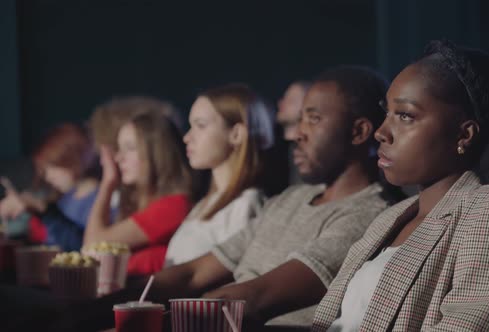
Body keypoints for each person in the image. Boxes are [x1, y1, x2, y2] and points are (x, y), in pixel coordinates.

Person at [53, 66, 393, 331]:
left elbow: (257, 297)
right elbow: (193, 273)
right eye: (299, 118)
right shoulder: (289, 199)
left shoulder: (368, 213)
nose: (297, 132)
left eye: (314, 119)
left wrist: (138, 324)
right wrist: (100, 311)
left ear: (359, 132)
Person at [311, 40, 489, 332]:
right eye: (387, 113)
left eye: (405, 116)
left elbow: (465, 325)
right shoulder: (390, 218)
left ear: (464, 134)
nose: (382, 132)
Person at [164, 84, 274, 267]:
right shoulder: (204, 204)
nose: (187, 137)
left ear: (236, 134)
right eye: (191, 126)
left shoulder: (246, 205)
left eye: (200, 125)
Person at [83, 111, 197, 276]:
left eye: (129, 148)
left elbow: (93, 246)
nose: (118, 158)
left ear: (157, 153)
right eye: (119, 149)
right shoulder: (141, 202)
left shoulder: (173, 205)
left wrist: (107, 183)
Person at [0, 123, 101, 251]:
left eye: (51, 167)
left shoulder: (100, 200)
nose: (48, 176)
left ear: (72, 159)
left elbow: (82, 246)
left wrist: (44, 210)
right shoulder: (66, 198)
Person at [276, 81, 311, 185]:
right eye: (284, 98)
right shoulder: (271, 152)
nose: (281, 103)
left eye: (291, 100)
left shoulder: (306, 154)